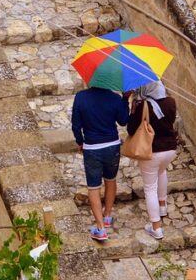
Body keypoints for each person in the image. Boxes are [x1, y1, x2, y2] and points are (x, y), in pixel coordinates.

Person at [71, 85, 130, 242]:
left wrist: (80, 141)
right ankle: (107, 216)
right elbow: (124, 121)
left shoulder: (81, 97)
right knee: (110, 180)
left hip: (92, 148)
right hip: (112, 145)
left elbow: (76, 125)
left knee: (93, 187)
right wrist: (125, 99)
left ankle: (100, 228)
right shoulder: (115, 98)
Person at [127, 80, 178, 240]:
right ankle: (162, 206)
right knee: (162, 173)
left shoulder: (143, 106)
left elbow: (130, 129)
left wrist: (134, 109)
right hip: (170, 149)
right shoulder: (171, 102)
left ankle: (156, 228)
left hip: (151, 151)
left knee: (149, 188)